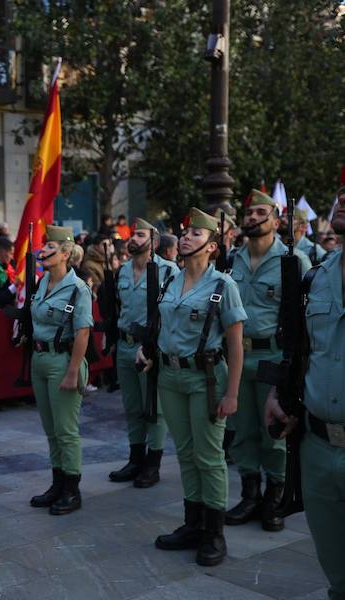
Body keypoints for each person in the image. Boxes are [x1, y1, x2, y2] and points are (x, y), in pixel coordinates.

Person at [140, 207, 246, 567]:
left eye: (196, 234)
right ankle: (193, 524)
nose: (186, 237)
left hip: (206, 380)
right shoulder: (170, 279)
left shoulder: (223, 286)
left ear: (212, 246)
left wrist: (232, 393)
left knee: (209, 457)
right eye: (185, 233)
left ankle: (214, 532)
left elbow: (235, 345)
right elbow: (164, 328)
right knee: (185, 454)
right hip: (170, 376)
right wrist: (151, 353)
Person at [265, 187, 345, 600]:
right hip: (316, 445)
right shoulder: (316, 276)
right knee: (336, 572)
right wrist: (282, 392)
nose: (342, 196)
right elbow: (305, 351)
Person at [225, 191, 312, 532]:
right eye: (248, 212)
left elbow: (302, 321)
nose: (251, 217)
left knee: (272, 430)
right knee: (241, 429)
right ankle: (250, 493)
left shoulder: (294, 261)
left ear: (276, 221)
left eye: (260, 212)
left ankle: (276, 496)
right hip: (237, 355)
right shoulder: (233, 259)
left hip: (272, 355)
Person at [27, 226, 92, 516]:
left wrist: (73, 371)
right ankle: (57, 482)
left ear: (65, 253)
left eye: (51, 246)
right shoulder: (42, 283)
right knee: (51, 429)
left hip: (63, 361)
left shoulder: (77, 288)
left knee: (66, 431)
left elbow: (82, 333)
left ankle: (71, 489)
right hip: (40, 359)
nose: (44, 250)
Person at [110, 219, 179, 487]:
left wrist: (152, 345)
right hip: (125, 345)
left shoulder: (169, 271)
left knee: (154, 407)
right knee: (132, 406)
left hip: (150, 348)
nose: (134, 239)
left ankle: (153, 462)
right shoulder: (123, 271)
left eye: (140, 235)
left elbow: (171, 316)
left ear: (154, 242)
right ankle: (135, 457)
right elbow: (119, 308)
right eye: (133, 234)